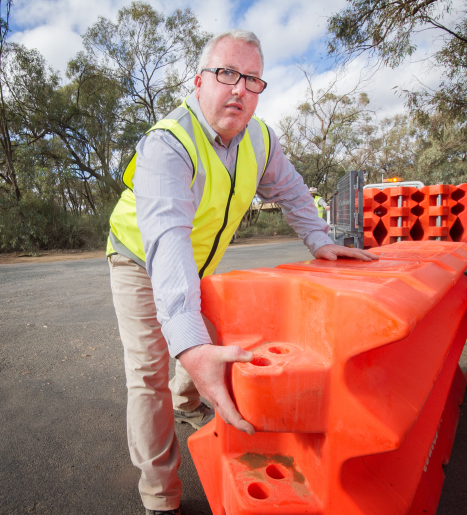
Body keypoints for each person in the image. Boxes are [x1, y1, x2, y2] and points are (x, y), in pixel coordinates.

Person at [106, 29, 378, 515]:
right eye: (227, 73)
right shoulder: (167, 144)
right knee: (150, 370)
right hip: (136, 256)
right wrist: (187, 346)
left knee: (213, 330)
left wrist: (321, 241)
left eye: (252, 79)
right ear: (198, 82)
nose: (239, 88)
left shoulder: (259, 139)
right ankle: (160, 496)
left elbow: (292, 191)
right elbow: (166, 243)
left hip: (197, 258)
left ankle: (189, 402)